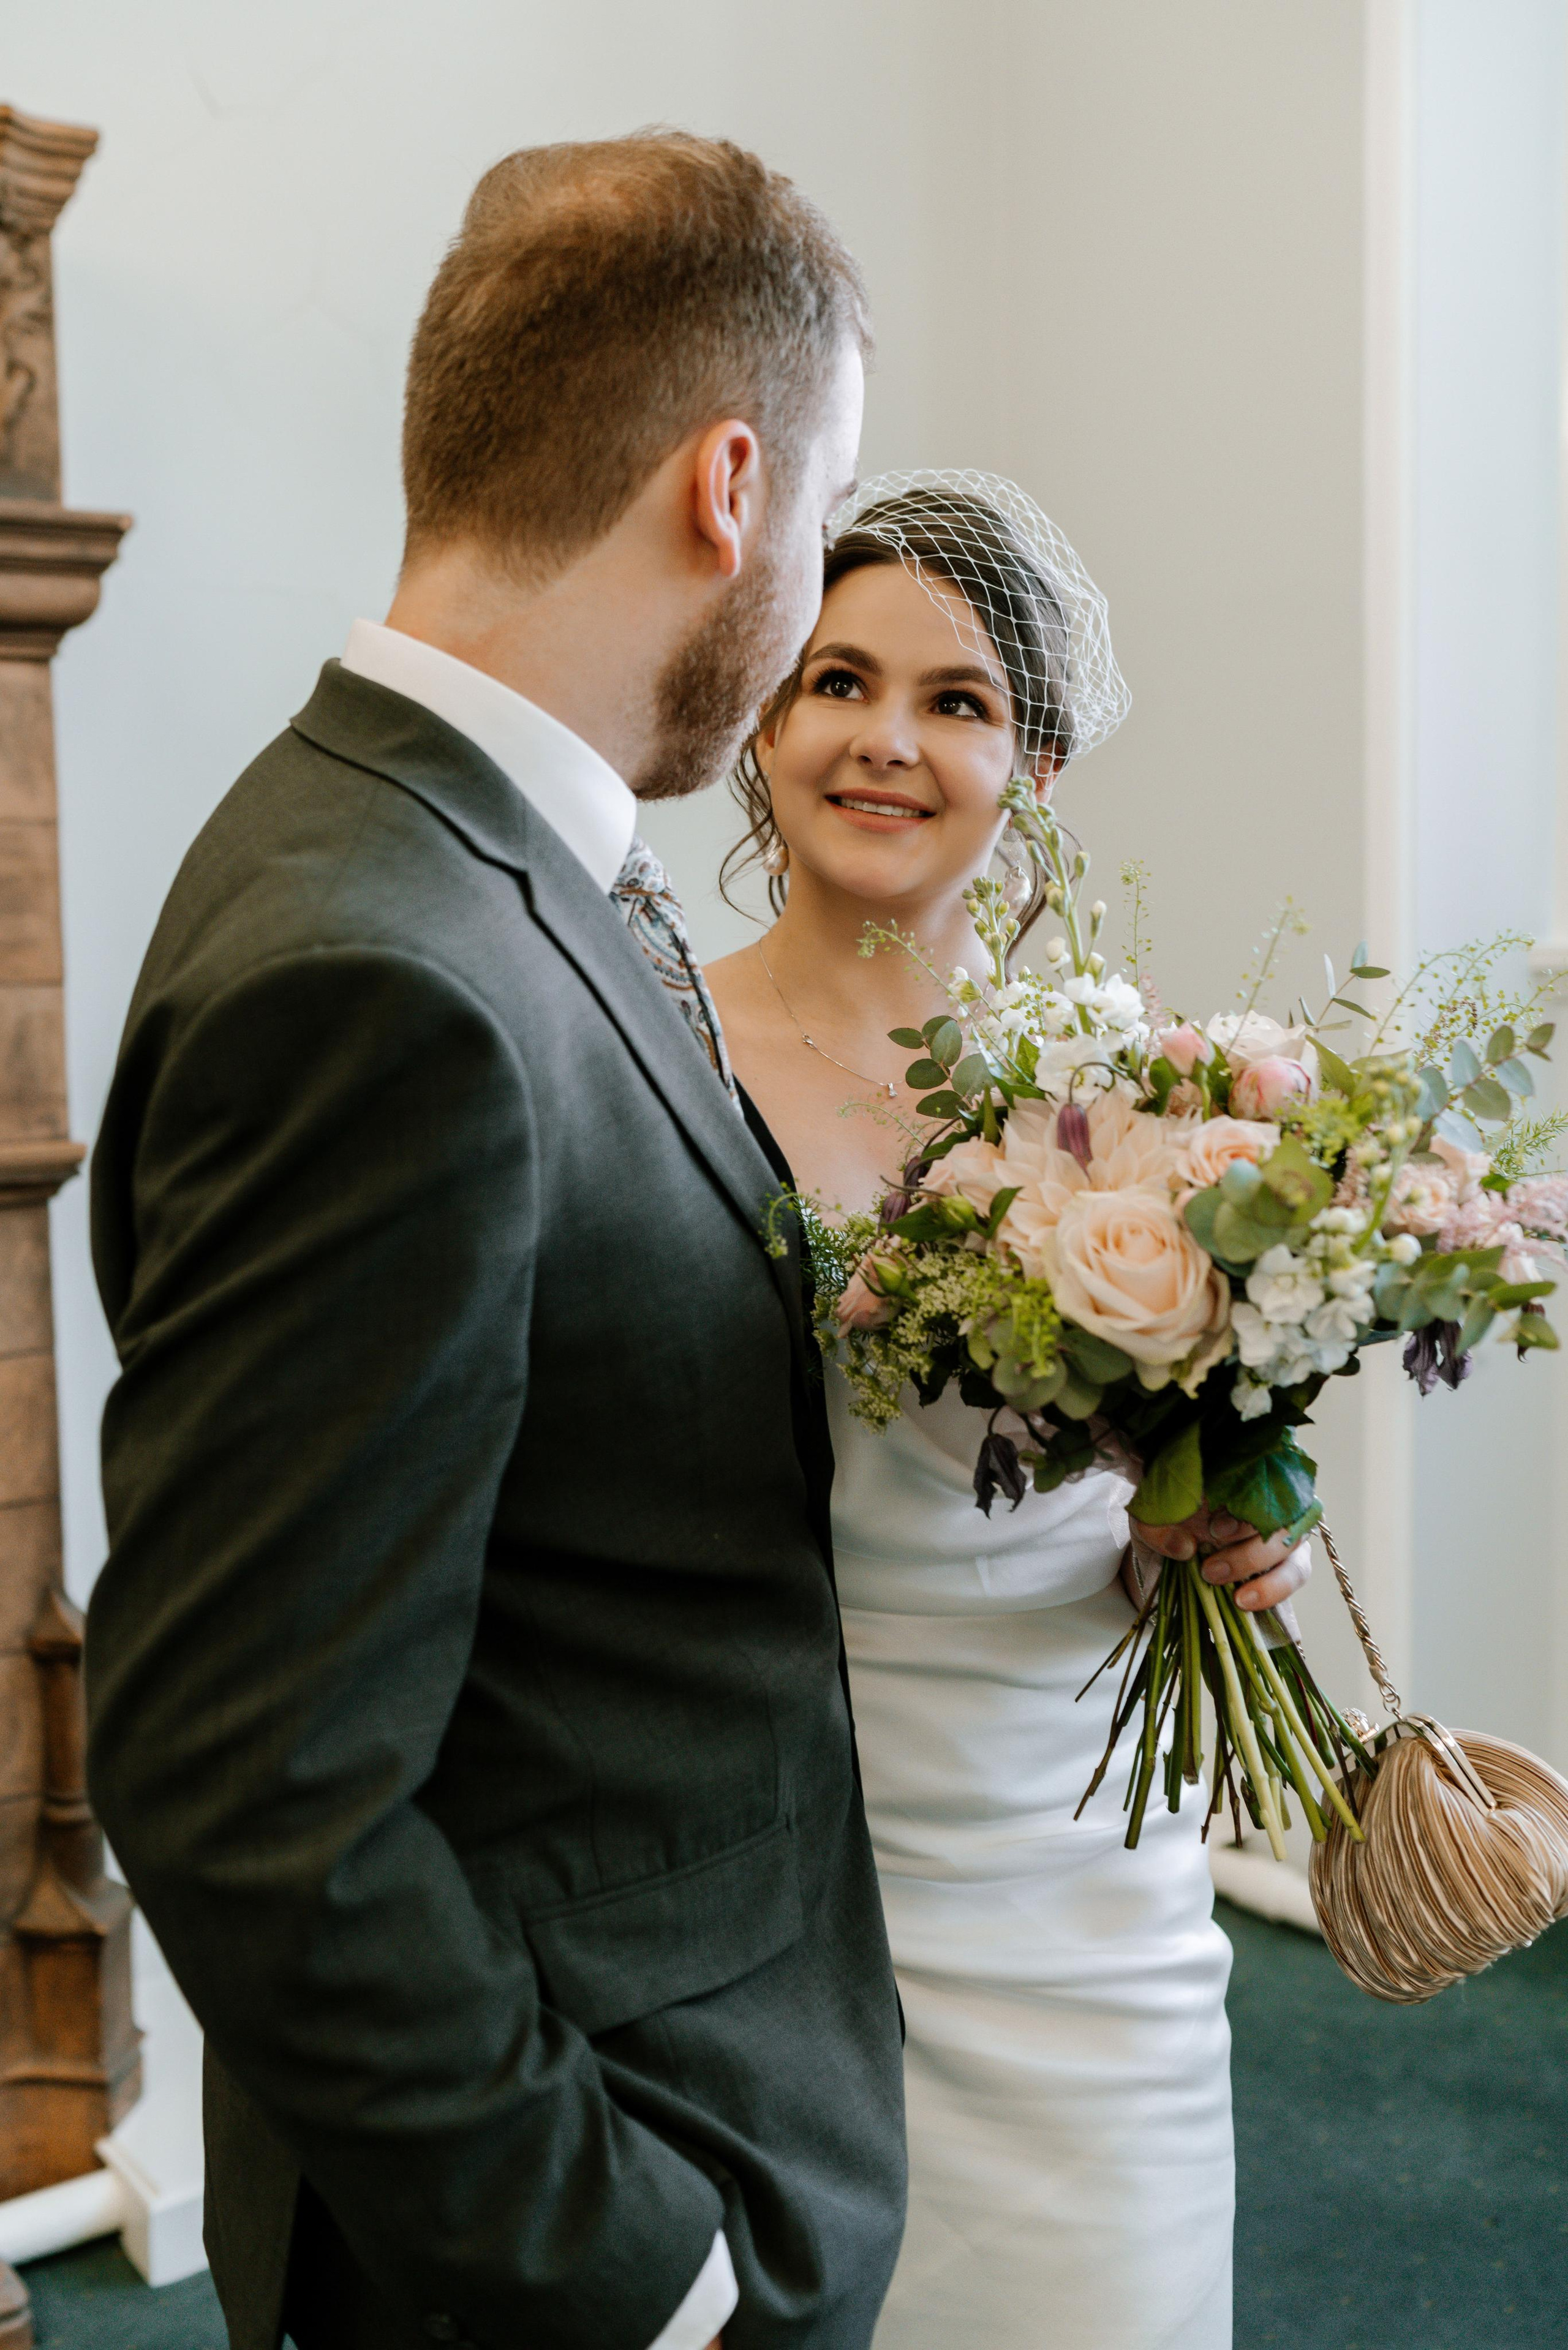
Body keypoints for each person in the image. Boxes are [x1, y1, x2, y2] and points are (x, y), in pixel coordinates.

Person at [85, 135, 906, 2350]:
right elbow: (247, 1785)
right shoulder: (386, 970)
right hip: (567, 2220)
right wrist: (648, 2282)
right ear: (731, 486)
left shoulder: (441, 836)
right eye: (828, 510)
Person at [705, 474, 1312, 2350]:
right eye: (838, 682)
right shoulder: (656, 1055)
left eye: (954, 701)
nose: (886, 740)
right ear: (766, 725)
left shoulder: (1127, 1091)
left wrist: (1231, 1531)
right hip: (771, 1847)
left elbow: (1165, 1469)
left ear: (1033, 769)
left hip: (1078, 1865)